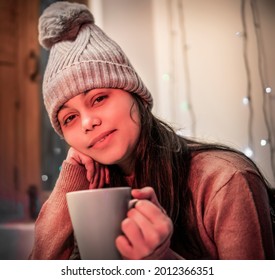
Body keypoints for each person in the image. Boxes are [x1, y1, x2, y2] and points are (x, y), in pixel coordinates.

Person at [29, 1, 275, 260]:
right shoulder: (93, 193)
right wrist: (69, 180)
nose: (87, 122)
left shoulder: (226, 180)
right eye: (69, 118)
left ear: (136, 95)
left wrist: (160, 259)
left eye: (99, 98)